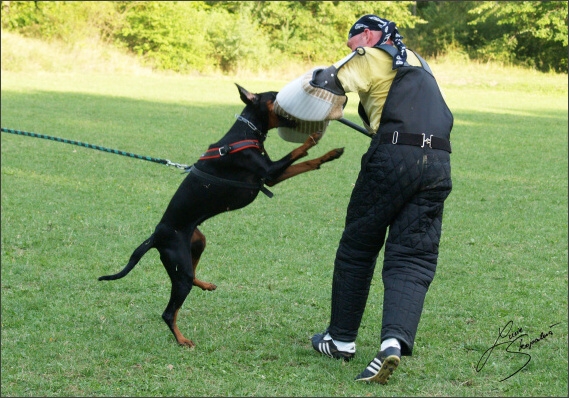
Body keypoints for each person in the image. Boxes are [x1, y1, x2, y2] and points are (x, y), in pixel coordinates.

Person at [276, 14, 453, 384]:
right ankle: (392, 342)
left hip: (393, 158)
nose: (350, 49)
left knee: (358, 246)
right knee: (413, 256)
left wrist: (315, 113)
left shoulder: (372, 55)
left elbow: (323, 84)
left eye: (352, 41)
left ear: (369, 35)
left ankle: (340, 339)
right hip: (437, 162)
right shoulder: (418, 62)